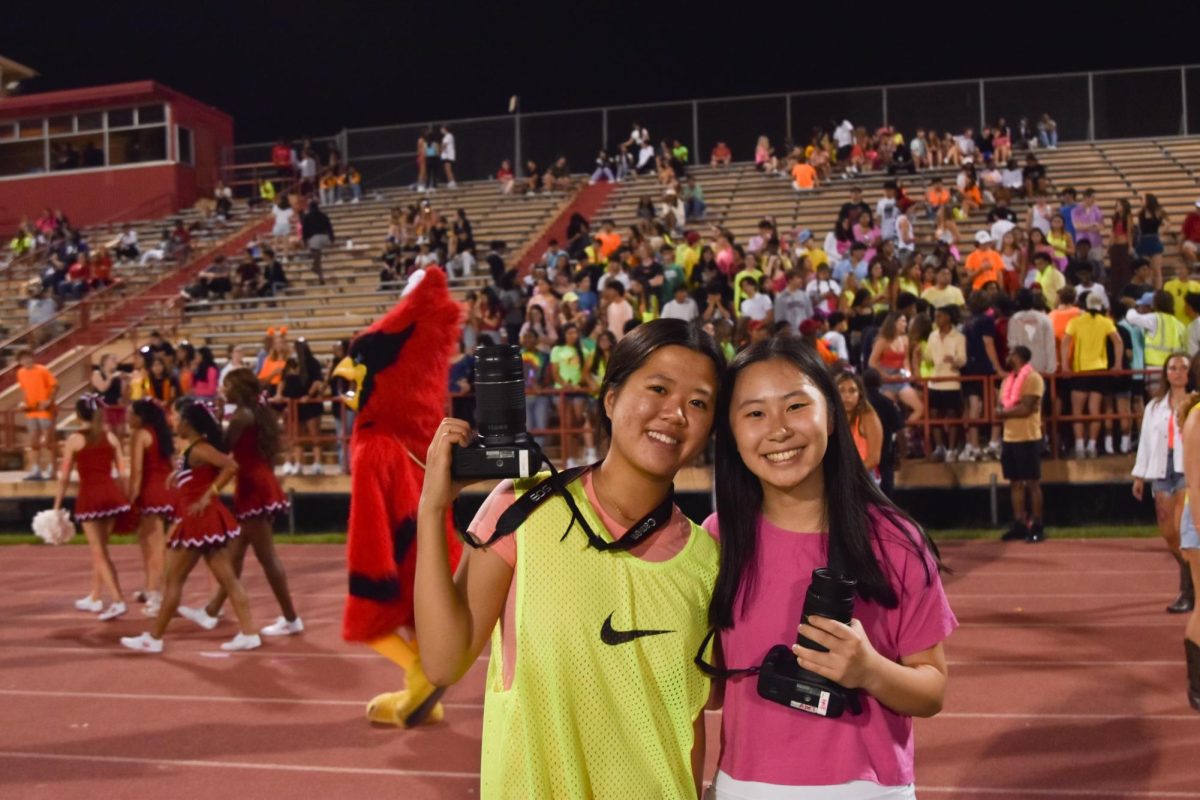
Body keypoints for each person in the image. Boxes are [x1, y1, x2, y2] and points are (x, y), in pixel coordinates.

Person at [413, 320, 724, 797]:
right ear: (612, 399)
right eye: (658, 388)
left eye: (698, 402)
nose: (676, 413)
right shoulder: (524, 507)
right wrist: (433, 509)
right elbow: (442, 662)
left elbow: (692, 721)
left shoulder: (707, 560)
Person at [704, 336, 954, 798]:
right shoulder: (715, 541)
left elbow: (932, 689)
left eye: (796, 406)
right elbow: (711, 691)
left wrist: (869, 670)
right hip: (745, 785)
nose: (778, 429)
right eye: (755, 413)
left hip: (867, 789)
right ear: (732, 433)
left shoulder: (895, 540)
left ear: (832, 416)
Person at [120, 401, 261, 654]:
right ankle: (249, 632)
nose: (174, 421)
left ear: (189, 423)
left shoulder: (199, 448)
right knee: (228, 580)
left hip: (199, 519)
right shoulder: (192, 449)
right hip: (201, 519)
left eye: (178, 417)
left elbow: (231, 466)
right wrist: (180, 476)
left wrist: (209, 495)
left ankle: (154, 638)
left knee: (173, 580)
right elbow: (197, 473)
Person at [180, 369, 303, 637]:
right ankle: (211, 611)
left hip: (253, 488)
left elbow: (222, 449)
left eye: (227, 385)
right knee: (234, 554)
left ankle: (291, 618)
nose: (223, 389)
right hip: (256, 482)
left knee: (267, 557)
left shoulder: (242, 416)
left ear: (239, 388)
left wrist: (212, 420)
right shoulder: (252, 413)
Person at [53, 394, 131, 621]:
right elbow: (122, 471)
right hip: (112, 496)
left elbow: (65, 475)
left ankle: (118, 600)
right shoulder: (110, 438)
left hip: (90, 498)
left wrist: (57, 505)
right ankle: (95, 597)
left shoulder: (75, 440)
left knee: (99, 553)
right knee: (102, 551)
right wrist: (125, 496)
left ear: (78, 415)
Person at [1133, 354, 1194, 614]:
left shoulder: (1196, 402)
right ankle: (1192, 575)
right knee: (1168, 533)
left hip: (1187, 469)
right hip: (1161, 469)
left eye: (1183, 368)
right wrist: (1139, 475)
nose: (1178, 372)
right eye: (1173, 368)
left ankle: (1187, 592)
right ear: (1166, 373)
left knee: (1183, 532)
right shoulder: (1155, 406)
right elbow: (1145, 441)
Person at [127, 399, 176, 617]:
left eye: (131, 414)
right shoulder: (161, 434)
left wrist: (130, 499)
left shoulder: (141, 435)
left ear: (140, 416)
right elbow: (174, 465)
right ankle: (150, 589)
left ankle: (157, 596)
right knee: (147, 541)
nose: (128, 418)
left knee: (155, 546)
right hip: (166, 490)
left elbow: (137, 472)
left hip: (151, 493)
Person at [996, 347, 1048, 542]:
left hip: (1028, 436)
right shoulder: (1007, 381)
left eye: (1011, 354)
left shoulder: (1033, 378)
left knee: (1032, 483)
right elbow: (1002, 404)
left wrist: (1003, 413)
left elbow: (1026, 409)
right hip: (1009, 437)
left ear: (1019, 357)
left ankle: (1037, 524)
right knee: (1015, 483)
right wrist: (1006, 411)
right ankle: (1019, 523)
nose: (1007, 357)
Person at [1062, 293, 1123, 458]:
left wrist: (1065, 366)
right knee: (1095, 410)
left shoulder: (1076, 321)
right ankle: (1092, 445)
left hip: (1081, 370)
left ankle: (1080, 446)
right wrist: (1117, 364)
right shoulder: (1106, 322)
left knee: (1077, 411)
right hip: (1100, 370)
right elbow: (1118, 342)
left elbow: (1065, 342)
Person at [926, 306, 967, 461]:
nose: (937, 320)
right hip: (934, 382)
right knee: (934, 415)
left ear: (948, 318)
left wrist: (954, 360)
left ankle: (951, 449)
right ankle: (939, 447)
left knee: (952, 415)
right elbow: (928, 357)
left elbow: (963, 360)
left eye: (940, 316)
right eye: (935, 317)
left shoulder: (959, 337)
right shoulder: (932, 336)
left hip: (951, 382)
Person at [16, 349, 57, 481]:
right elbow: (24, 390)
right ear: (20, 361)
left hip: (44, 410)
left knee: (48, 440)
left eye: (28, 357)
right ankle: (36, 469)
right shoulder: (20, 373)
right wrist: (23, 402)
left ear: (32, 358)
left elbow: (55, 386)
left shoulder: (42, 370)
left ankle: (52, 467)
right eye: (23, 359)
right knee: (33, 441)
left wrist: (49, 400)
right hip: (31, 410)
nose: (26, 361)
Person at [302, 201, 334, 286]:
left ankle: (318, 272)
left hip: (314, 238)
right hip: (325, 238)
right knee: (317, 258)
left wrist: (305, 241)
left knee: (317, 259)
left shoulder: (307, 217)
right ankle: (318, 273)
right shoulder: (323, 215)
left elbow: (304, 230)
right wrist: (332, 239)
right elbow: (329, 227)